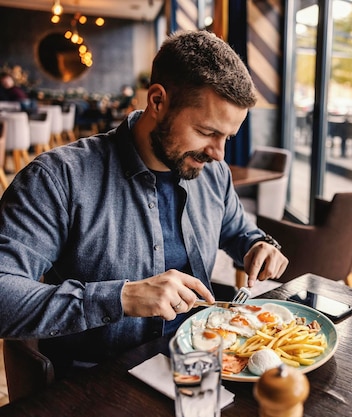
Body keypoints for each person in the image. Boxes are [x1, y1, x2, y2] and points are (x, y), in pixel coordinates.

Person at [0, 30, 289, 375]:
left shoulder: (214, 174)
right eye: (207, 132)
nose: (219, 153)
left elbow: (236, 229)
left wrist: (257, 244)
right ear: (157, 101)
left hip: (203, 362)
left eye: (228, 137)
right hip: (99, 378)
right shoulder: (58, 178)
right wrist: (122, 297)